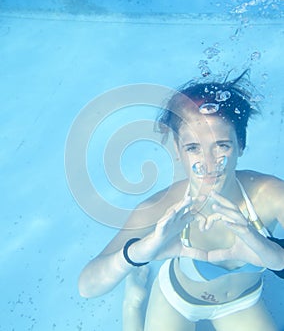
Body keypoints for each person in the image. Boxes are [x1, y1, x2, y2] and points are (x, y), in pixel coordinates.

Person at [78, 70, 284, 331]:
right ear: (177, 150)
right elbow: (87, 286)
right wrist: (141, 252)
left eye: (222, 145)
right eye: (193, 148)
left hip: (242, 304)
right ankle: (133, 303)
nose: (209, 164)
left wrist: (273, 254)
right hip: (178, 300)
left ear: (240, 145)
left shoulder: (270, 194)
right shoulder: (161, 207)